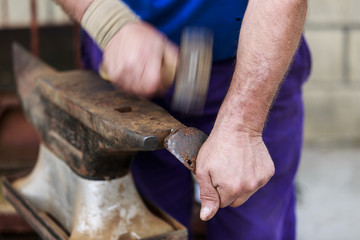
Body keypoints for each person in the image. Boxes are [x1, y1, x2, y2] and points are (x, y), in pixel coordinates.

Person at [55, 0, 311, 239]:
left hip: (254, 66)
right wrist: (108, 20)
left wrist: (243, 128)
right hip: (123, 63)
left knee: (254, 227)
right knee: (145, 224)